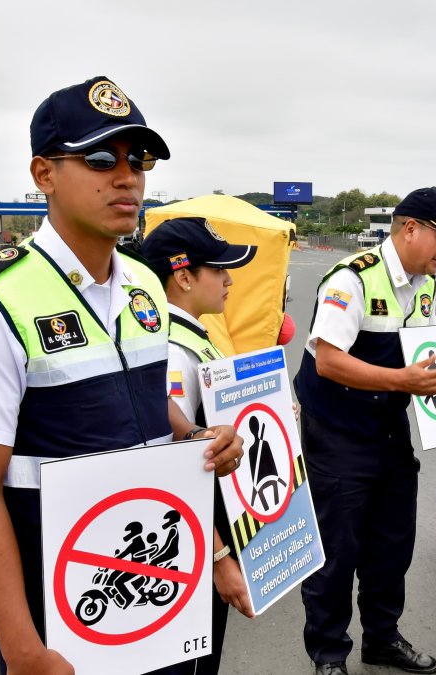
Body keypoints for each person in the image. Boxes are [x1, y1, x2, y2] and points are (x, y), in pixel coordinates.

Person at [0, 75, 243, 675]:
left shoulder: (145, 285)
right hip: (65, 621)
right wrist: (26, 653)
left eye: (140, 159)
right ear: (44, 174)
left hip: (159, 591)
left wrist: (191, 439)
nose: (127, 176)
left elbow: (151, 403)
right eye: (101, 157)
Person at [294, 187, 436, 675]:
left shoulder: (425, 283)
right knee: (337, 552)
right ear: (409, 228)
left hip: (388, 427)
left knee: (391, 545)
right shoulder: (351, 281)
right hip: (336, 431)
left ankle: (382, 638)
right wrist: (403, 381)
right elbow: (329, 361)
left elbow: (428, 354)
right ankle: (330, 654)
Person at [139, 215, 260, 673]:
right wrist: (218, 557)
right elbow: (173, 459)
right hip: (189, 541)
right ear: (184, 276)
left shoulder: (193, 335)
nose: (229, 279)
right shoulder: (172, 347)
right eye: (219, 269)